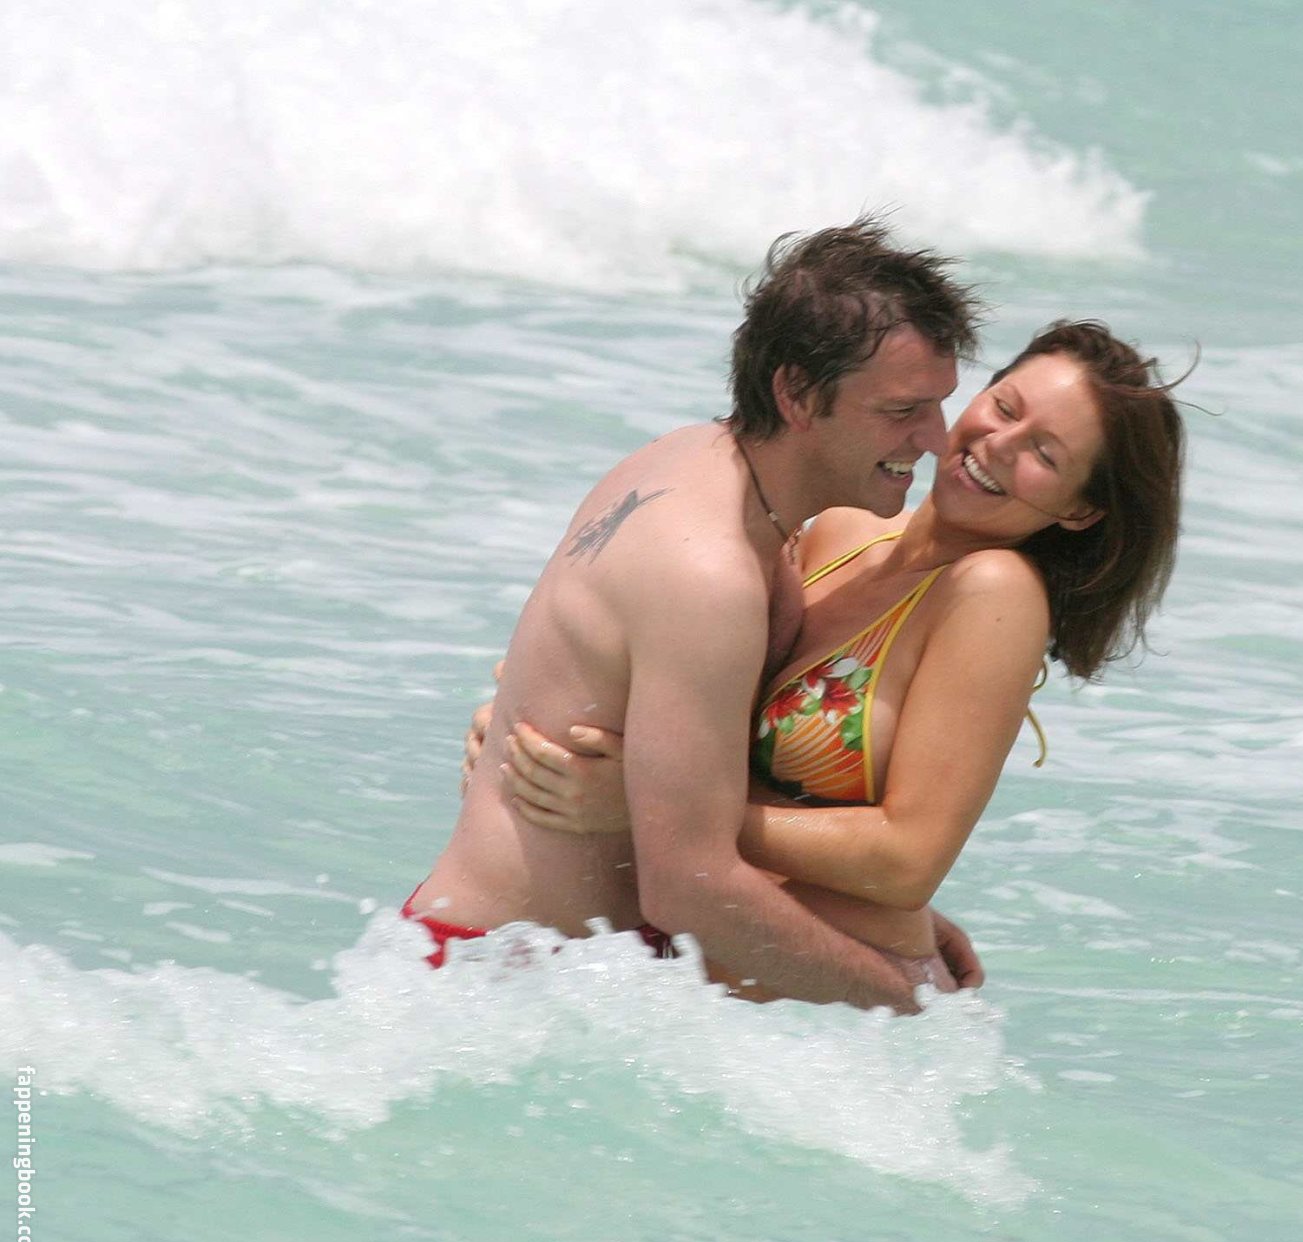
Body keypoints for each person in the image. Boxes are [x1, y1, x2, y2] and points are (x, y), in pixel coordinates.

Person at [493, 319, 1187, 998]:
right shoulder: (843, 531)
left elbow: (907, 859)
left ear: (1078, 512)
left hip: (827, 1004)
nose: (999, 444)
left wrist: (653, 808)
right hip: (725, 961)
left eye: (1045, 454)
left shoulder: (992, 593)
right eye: (1004, 407)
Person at [403, 218, 983, 1013]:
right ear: (795, 395)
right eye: (901, 410)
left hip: (554, 976)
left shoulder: (691, 462)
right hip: (498, 988)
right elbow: (688, 886)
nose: (935, 439)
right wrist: (912, 1000)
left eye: (938, 406)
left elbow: (685, 788)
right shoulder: (709, 573)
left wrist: (881, 920)